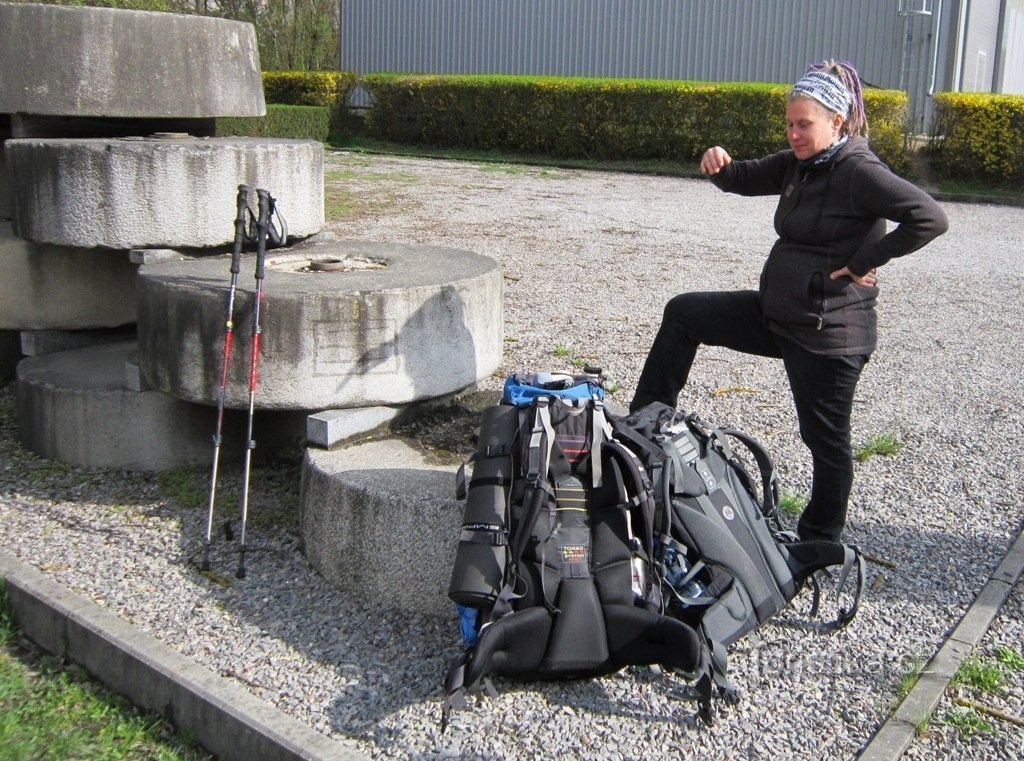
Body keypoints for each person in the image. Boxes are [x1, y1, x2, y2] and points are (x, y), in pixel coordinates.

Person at [629, 60, 948, 542]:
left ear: (836, 122)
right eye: (789, 124)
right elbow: (743, 177)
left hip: (826, 333)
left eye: (804, 124)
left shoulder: (858, 171)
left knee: (825, 442)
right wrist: (719, 165)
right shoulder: (801, 163)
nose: (794, 134)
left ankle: (820, 540)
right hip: (778, 315)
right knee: (684, 313)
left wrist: (864, 260)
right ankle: (644, 428)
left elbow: (929, 217)